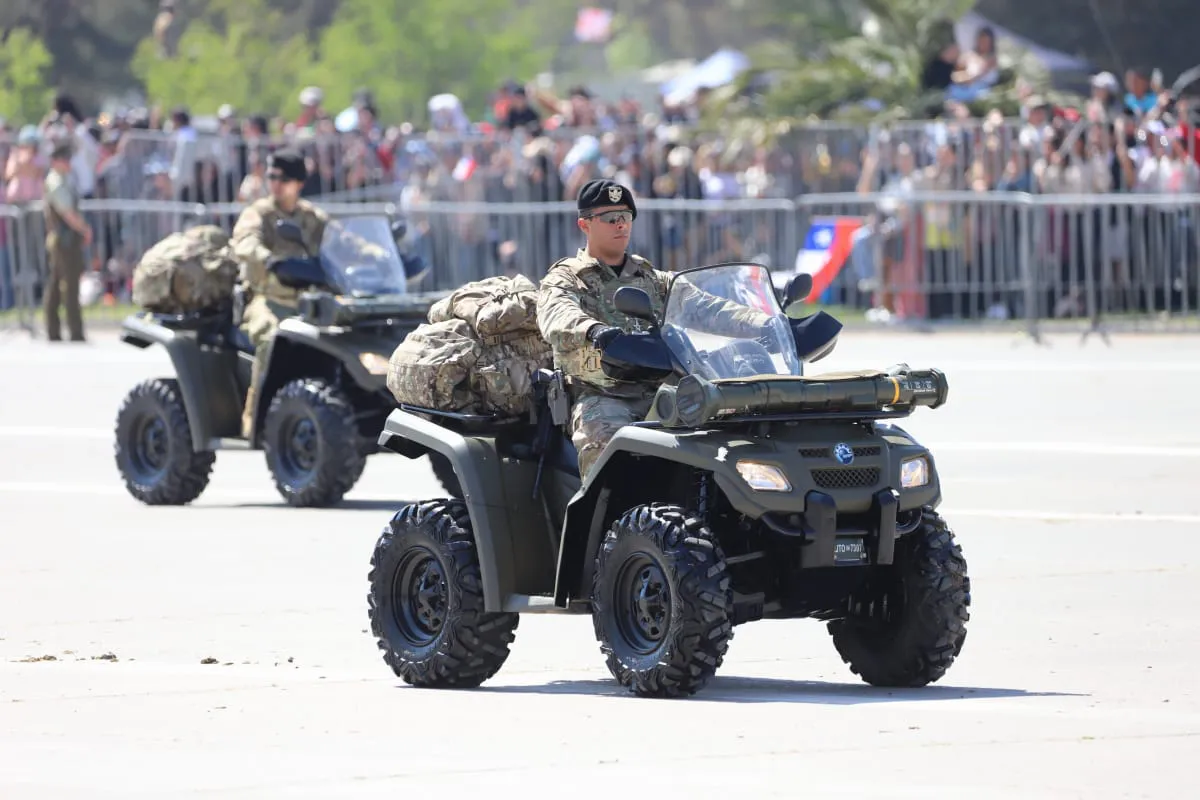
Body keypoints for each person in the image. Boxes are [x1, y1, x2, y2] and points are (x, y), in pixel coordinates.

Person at [536, 178, 772, 480]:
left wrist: (765, 324)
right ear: (585, 224)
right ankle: (610, 509)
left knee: (726, 439)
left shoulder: (653, 279)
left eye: (626, 216)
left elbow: (706, 308)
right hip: (602, 395)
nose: (621, 224)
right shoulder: (566, 278)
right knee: (607, 446)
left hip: (664, 389)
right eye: (610, 218)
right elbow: (557, 313)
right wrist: (593, 330)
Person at [230, 147, 329, 438]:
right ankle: (254, 419)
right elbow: (244, 242)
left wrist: (376, 254)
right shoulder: (258, 213)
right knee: (271, 339)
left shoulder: (313, 217)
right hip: (266, 300)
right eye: (271, 177)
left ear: (299, 183)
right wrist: (268, 258)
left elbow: (344, 243)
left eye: (283, 179)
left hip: (308, 302)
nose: (275, 183)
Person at [42, 142, 93, 342]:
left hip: (64, 239)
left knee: (57, 284)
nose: (68, 162)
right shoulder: (56, 182)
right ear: (55, 161)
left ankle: (54, 330)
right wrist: (84, 229)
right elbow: (67, 213)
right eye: (65, 159)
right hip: (64, 241)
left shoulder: (62, 179)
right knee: (69, 285)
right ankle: (75, 331)